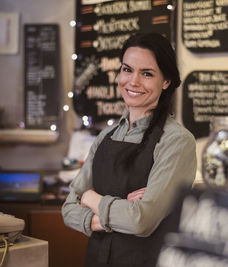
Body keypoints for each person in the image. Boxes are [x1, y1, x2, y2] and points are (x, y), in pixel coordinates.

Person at [62, 32, 197, 267]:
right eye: (127, 69)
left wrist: (91, 197)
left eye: (146, 74)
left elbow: (140, 222)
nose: (133, 82)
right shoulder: (106, 136)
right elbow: (68, 210)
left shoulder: (177, 141)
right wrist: (113, 215)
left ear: (165, 82)